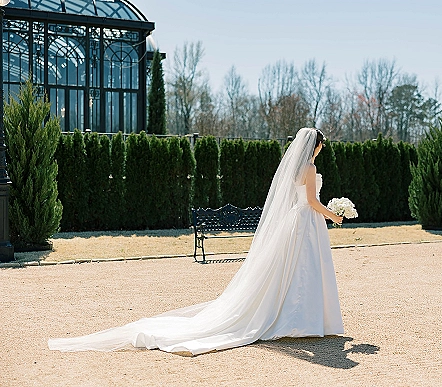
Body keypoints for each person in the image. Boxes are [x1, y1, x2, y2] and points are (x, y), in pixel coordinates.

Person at [49, 128, 344, 356]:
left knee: (293, 271)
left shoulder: (295, 169)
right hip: (305, 221)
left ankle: (300, 318)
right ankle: (304, 319)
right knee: (304, 271)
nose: (320, 149)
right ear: (315, 146)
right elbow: (310, 201)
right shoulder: (310, 169)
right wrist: (333, 215)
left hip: (296, 223)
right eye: (321, 145)